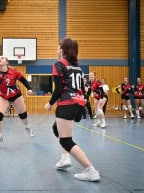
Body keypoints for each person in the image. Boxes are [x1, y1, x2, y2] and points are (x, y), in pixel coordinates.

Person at [44, 37, 100, 181]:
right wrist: (81, 109)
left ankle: (90, 170)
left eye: (58, 46)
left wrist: (50, 103)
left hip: (67, 104)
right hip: (77, 103)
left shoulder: (59, 64)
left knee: (66, 141)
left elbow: (59, 89)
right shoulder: (77, 67)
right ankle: (65, 158)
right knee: (56, 129)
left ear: (62, 50)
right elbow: (82, 89)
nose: (57, 49)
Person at [0, 50, 34, 149]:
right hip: (3, 97)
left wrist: (29, 88)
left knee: (23, 115)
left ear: (7, 62)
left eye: (2, 58)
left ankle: (27, 127)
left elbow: (23, 80)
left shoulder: (13, 72)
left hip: (16, 95)